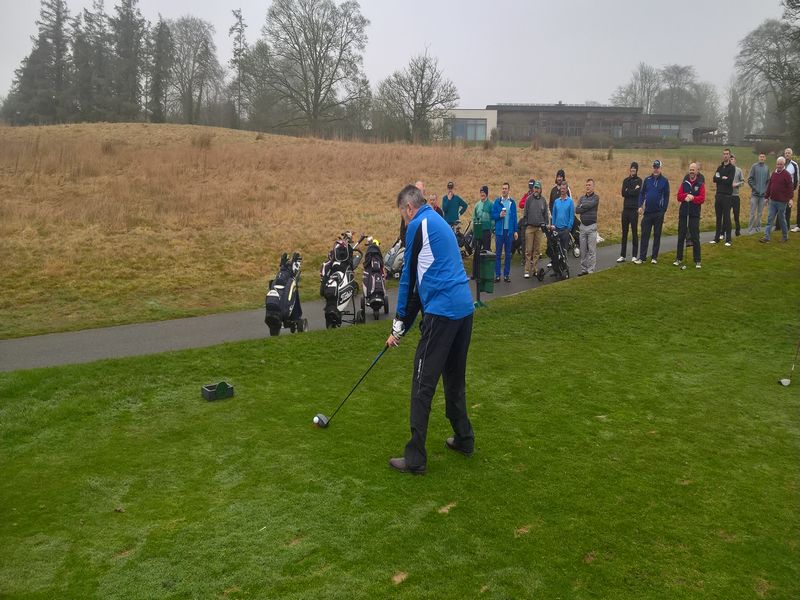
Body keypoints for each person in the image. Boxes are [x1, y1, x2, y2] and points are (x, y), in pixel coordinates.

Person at [386, 184, 475, 475]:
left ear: (409, 208)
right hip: (464, 310)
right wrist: (402, 327)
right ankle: (464, 439)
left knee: (422, 383)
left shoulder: (418, 225)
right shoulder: (437, 219)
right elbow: (420, 285)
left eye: (403, 214)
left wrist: (398, 325)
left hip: (444, 312)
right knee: (453, 378)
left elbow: (408, 280)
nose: (404, 220)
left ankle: (415, 459)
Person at [633, 160, 670, 264]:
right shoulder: (647, 180)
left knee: (657, 235)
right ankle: (642, 257)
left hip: (658, 212)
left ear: (660, 168)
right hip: (648, 212)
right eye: (654, 167)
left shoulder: (664, 181)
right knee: (645, 235)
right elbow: (642, 193)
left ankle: (654, 257)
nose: (655, 169)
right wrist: (640, 205)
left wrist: (664, 209)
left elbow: (666, 196)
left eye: (657, 167)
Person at [674, 162, 706, 269]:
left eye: (693, 170)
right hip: (683, 213)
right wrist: (686, 196)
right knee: (681, 236)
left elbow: (702, 198)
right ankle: (678, 259)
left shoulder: (700, 184)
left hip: (694, 214)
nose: (692, 171)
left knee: (695, 237)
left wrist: (693, 198)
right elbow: (678, 197)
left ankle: (697, 260)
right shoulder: (684, 183)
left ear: (697, 171)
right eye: (690, 169)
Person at [760, 156, 794, 243]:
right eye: (778, 164)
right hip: (773, 201)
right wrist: (766, 197)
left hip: (782, 202)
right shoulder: (774, 174)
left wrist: (790, 199)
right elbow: (770, 186)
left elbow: (790, 187)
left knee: (782, 219)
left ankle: (785, 236)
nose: (779, 166)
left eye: (781, 164)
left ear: (784, 164)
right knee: (770, 219)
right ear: (776, 164)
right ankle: (766, 237)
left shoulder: (787, 175)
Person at [491, 182, 518, 282]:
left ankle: (506, 275)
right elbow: (493, 215)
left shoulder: (512, 202)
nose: (504, 190)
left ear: (508, 190)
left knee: (508, 254)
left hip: (509, 232)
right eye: (502, 188)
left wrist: (515, 231)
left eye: (506, 188)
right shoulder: (497, 202)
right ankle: (497, 275)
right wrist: (499, 215)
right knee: (498, 254)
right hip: (499, 232)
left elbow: (515, 217)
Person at [522, 181, 548, 278]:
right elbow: (525, 213)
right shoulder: (529, 199)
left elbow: (545, 214)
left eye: (538, 188)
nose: (536, 190)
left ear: (541, 189)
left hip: (539, 229)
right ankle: (527, 270)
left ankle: (535, 269)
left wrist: (545, 225)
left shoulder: (543, 200)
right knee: (528, 250)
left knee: (537, 250)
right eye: (535, 188)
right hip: (530, 227)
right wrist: (526, 224)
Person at [575, 178, 599, 276]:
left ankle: (590, 271)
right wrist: (583, 207)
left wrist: (582, 207)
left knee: (592, 251)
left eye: (589, 185)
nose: (588, 187)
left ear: (593, 187)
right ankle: (584, 270)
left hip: (592, 227)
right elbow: (577, 210)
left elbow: (590, 205)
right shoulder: (582, 198)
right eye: (587, 185)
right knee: (583, 250)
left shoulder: (596, 197)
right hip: (583, 226)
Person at [711, 148, 735, 246]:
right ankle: (716, 238)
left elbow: (729, 181)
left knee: (726, 218)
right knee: (718, 217)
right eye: (724, 154)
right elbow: (714, 179)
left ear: (729, 156)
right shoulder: (720, 168)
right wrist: (722, 178)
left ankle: (728, 239)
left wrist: (720, 178)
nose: (725, 155)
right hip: (719, 195)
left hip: (727, 196)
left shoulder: (732, 168)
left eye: (727, 154)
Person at [619, 161, 641, 262]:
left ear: (636, 170)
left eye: (634, 170)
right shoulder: (626, 180)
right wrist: (631, 190)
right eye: (631, 170)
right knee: (624, 233)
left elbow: (637, 192)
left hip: (634, 210)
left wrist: (629, 191)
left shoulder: (639, 180)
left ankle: (634, 255)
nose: (632, 171)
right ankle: (622, 255)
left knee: (634, 232)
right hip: (626, 209)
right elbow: (623, 193)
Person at [471, 185, 493, 278]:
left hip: (487, 232)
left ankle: (486, 274)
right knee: (477, 252)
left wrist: (491, 228)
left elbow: (493, 218)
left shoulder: (491, 204)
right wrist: (474, 227)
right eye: (481, 192)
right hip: (478, 231)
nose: (482, 194)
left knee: (486, 252)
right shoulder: (477, 205)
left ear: (486, 193)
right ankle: (475, 274)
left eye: (483, 192)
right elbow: (474, 217)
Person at [550, 181, 574, 256]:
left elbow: (571, 216)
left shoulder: (570, 202)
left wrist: (569, 228)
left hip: (565, 230)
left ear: (567, 189)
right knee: (556, 251)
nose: (562, 190)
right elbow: (554, 215)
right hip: (556, 229)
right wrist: (553, 225)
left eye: (564, 188)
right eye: (561, 188)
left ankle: (565, 266)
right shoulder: (556, 201)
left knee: (564, 251)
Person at [747, 152, 770, 233]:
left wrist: (765, 190)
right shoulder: (754, 166)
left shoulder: (766, 168)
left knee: (760, 213)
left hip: (763, 196)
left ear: (765, 158)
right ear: (758, 157)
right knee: (752, 213)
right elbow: (750, 179)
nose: (762, 158)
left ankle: (758, 230)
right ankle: (750, 230)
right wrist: (755, 188)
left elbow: (768, 181)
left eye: (763, 157)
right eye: (761, 156)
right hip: (754, 195)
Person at [782, 148, 799, 232]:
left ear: (791, 155)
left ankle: (787, 226)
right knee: (779, 208)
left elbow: (796, 178)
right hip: (781, 190)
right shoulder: (781, 163)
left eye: (789, 153)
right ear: (784, 154)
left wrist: (793, 189)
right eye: (786, 153)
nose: (787, 154)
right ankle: (778, 227)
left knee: (788, 209)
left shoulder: (794, 165)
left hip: (789, 190)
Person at [730, 155, 744, 237]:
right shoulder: (727, 170)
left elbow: (742, 182)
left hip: (735, 196)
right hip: (728, 196)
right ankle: (723, 232)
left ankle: (737, 232)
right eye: (730, 159)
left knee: (736, 214)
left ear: (735, 160)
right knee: (726, 215)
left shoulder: (739, 170)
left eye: (732, 159)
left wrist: (736, 184)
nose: (731, 160)